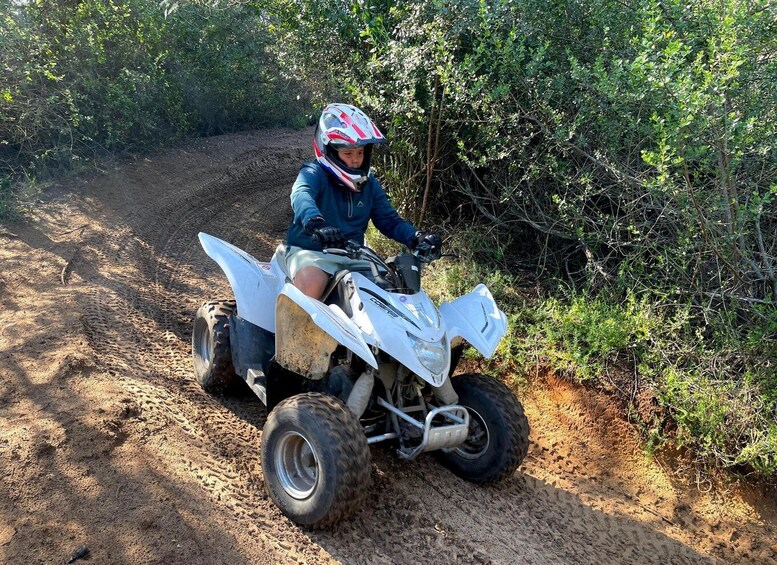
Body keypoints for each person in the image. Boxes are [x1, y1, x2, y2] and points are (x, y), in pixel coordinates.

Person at [285, 103, 442, 299]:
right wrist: (316, 222)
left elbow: (389, 221)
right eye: (348, 153)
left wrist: (417, 237)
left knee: (396, 291)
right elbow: (301, 195)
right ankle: (294, 330)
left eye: (360, 153)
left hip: (355, 256)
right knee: (311, 283)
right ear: (330, 151)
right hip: (312, 252)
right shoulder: (313, 173)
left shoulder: (370, 184)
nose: (356, 160)